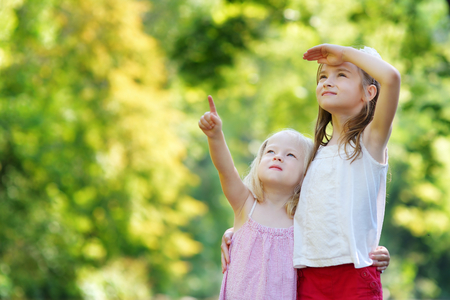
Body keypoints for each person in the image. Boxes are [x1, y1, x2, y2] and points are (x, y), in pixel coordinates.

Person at [293, 44, 401, 300]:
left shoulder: (370, 142)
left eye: (341, 74)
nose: (328, 82)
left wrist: (343, 53)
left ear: (369, 92)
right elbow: (278, 204)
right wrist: (239, 232)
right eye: (323, 76)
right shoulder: (310, 154)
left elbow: (392, 78)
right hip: (307, 277)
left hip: (355, 276)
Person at [199, 95, 314, 300]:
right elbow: (226, 170)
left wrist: (376, 253)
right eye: (271, 151)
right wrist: (215, 135)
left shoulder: (304, 220)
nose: (278, 156)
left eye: (291, 155)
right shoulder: (245, 205)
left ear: (306, 174)